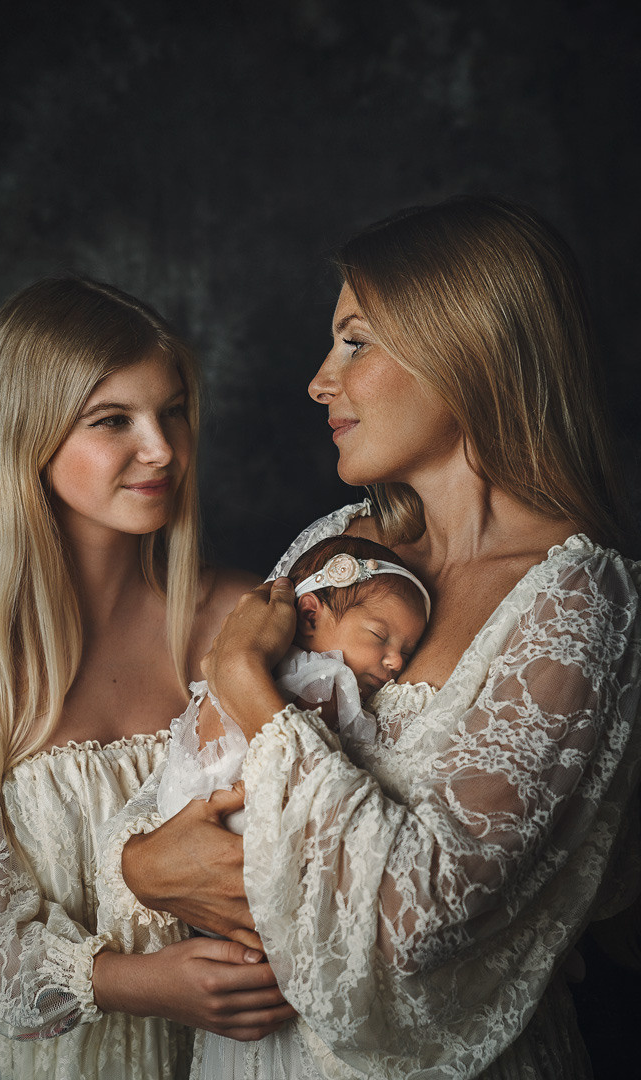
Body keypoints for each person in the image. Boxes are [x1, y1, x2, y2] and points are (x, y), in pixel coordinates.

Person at [116, 197, 641, 1079]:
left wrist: (254, 686)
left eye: (354, 342)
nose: (321, 381)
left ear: (467, 348)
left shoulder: (579, 596)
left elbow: (414, 919)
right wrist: (142, 865)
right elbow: (190, 770)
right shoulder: (341, 543)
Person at [0, 277, 294, 1080]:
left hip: (224, 1052)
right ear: (28, 437)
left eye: (174, 410)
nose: (161, 448)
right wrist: (145, 984)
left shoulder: (238, 618)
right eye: (113, 420)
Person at [99, 534, 429, 1078]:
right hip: (235, 815)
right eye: (379, 637)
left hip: (191, 806)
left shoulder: (271, 662)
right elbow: (311, 767)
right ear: (307, 615)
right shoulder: (321, 682)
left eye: (408, 652)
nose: (394, 662)